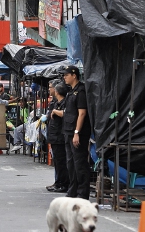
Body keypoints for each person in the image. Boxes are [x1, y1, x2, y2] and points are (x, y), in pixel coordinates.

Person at [61, 65, 91, 200]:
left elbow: (82, 113)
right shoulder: (70, 91)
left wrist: (77, 132)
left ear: (74, 75)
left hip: (77, 133)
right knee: (70, 163)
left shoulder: (81, 91)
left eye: (66, 75)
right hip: (68, 131)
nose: (64, 77)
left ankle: (82, 193)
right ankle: (72, 190)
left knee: (79, 163)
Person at [47, 82, 70, 193]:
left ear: (57, 91)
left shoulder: (65, 102)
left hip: (60, 136)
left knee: (61, 162)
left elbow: (66, 114)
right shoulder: (56, 102)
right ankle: (58, 182)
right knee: (58, 161)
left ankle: (63, 184)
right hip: (54, 136)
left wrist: (55, 111)